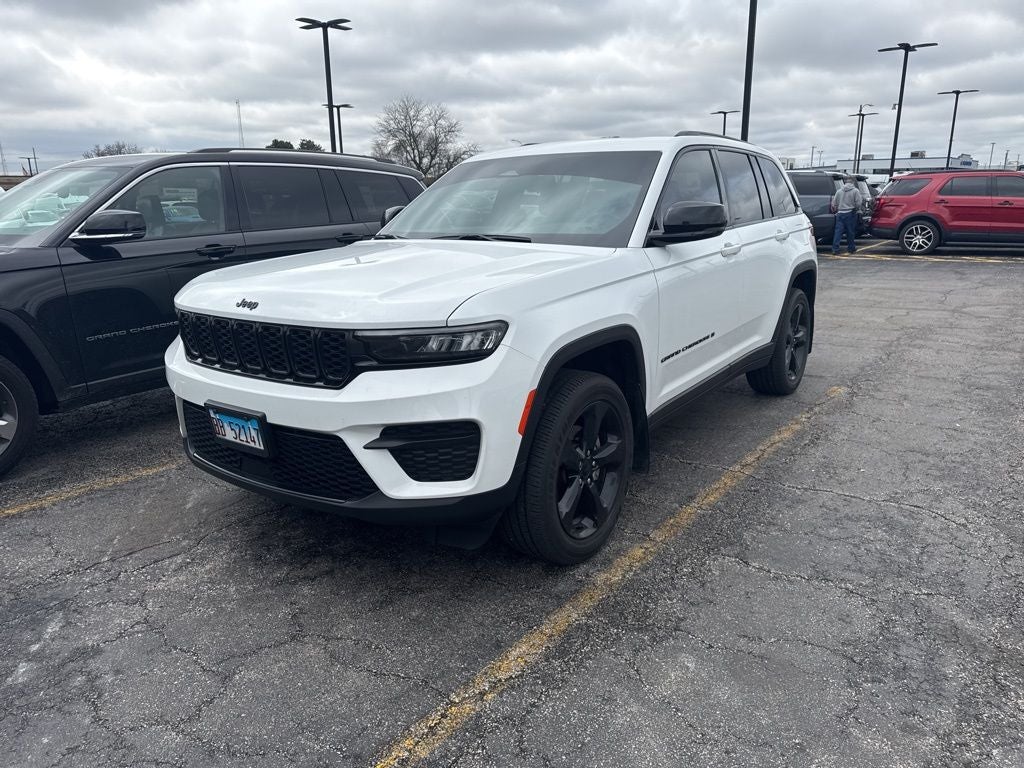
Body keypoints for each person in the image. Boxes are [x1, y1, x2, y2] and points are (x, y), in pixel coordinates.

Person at [831, 175, 864, 255]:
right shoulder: (855, 191)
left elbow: (834, 203)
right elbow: (858, 203)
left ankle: (835, 249)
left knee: (838, 232)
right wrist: (856, 209)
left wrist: (837, 209)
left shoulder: (839, 191)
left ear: (845, 182)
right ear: (853, 182)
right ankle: (851, 248)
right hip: (850, 213)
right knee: (850, 232)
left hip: (840, 213)